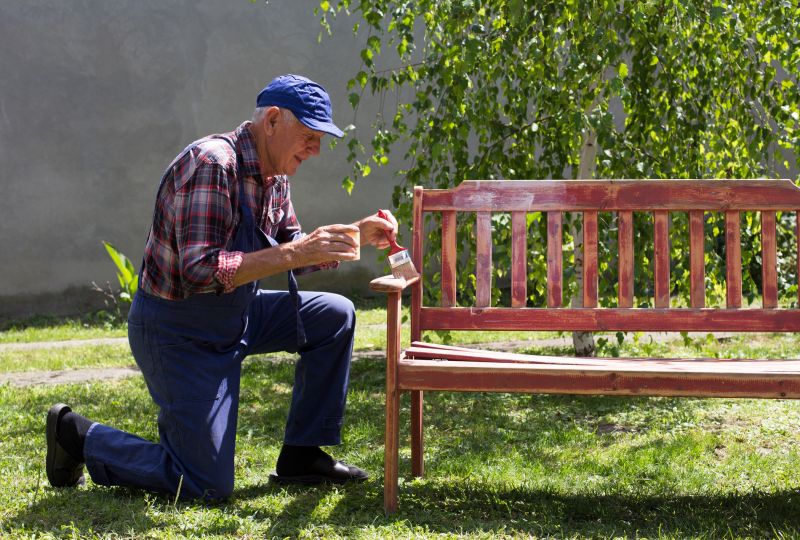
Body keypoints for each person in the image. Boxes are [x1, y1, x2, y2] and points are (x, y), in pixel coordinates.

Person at [45, 74, 399, 501]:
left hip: (239, 314)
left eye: (320, 138)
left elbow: (291, 247)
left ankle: (302, 456)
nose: (316, 149)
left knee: (334, 315)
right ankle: (78, 436)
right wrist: (296, 253)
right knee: (204, 484)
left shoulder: (275, 176)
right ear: (272, 120)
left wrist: (356, 234)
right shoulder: (213, 164)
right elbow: (200, 270)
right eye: (308, 135)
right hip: (180, 332)